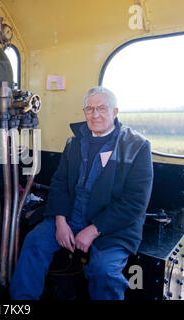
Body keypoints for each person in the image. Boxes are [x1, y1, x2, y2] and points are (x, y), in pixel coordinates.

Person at [10, 86, 153, 300]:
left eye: (102, 108)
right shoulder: (74, 142)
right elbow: (59, 183)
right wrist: (60, 221)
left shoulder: (137, 146)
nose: (95, 114)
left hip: (113, 227)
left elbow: (135, 202)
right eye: (90, 109)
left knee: (104, 270)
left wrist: (94, 230)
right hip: (72, 216)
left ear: (115, 112)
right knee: (34, 243)